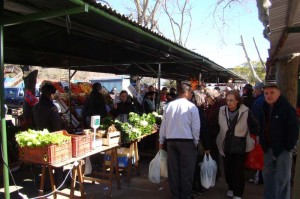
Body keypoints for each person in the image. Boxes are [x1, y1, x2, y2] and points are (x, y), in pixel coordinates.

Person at [159, 82, 200, 199]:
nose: (192, 94)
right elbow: (196, 127)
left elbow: (164, 125)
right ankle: (186, 195)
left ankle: (176, 195)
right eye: (191, 92)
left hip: (171, 141)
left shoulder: (169, 106)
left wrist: (161, 140)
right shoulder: (192, 107)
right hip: (187, 142)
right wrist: (196, 142)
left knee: (174, 171)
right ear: (186, 93)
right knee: (187, 171)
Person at [216, 90, 258, 199]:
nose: (229, 103)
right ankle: (231, 187)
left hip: (240, 144)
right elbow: (215, 125)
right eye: (227, 100)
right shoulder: (221, 110)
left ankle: (238, 193)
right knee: (227, 169)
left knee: (238, 171)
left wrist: (251, 136)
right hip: (225, 144)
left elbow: (255, 126)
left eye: (231, 100)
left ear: (238, 101)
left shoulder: (246, 111)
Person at [260, 83, 299, 199]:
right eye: (266, 93)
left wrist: (287, 147)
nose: (269, 96)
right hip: (268, 148)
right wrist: (263, 142)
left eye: (272, 92)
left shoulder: (287, 109)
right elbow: (262, 126)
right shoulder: (265, 107)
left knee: (282, 179)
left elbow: (293, 130)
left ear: (279, 93)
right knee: (268, 178)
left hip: (283, 150)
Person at [32, 84, 64, 188]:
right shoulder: (52, 108)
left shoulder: (36, 107)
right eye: (54, 94)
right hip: (52, 138)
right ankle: (59, 184)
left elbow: (34, 123)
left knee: (45, 163)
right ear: (51, 94)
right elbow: (57, 127)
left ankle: (45, 184)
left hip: (40, 138)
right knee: (59, 161)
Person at [250, 82, 265, 184]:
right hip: (263, 132)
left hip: (259, 132)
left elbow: (255, 120)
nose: (254, 91)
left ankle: (259, 177)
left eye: (255, 89)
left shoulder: (258, 102)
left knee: (259, 155)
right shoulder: (261, 100)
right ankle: (260, 177)